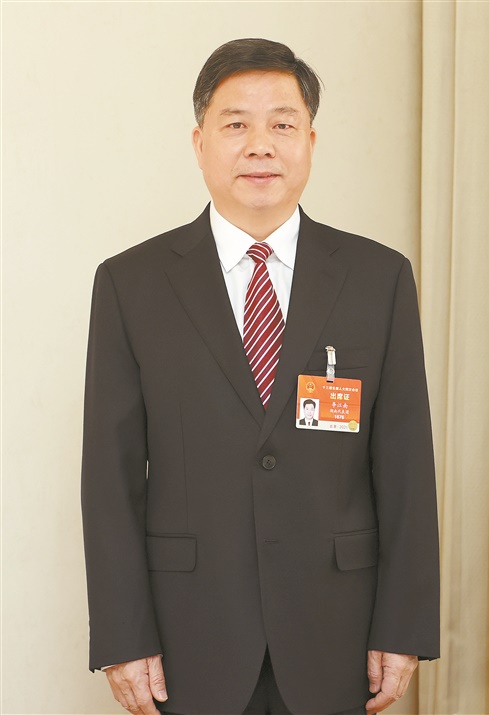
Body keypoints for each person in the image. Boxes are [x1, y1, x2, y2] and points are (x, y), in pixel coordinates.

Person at [81, 38, 440, 715]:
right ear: (199, 143)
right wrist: (124, 636)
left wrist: (405, 624)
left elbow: (405, 465)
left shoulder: (379, 278)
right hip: (189, 635)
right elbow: (110, 477)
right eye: (236, 124)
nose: (260, 146)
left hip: (339, 632)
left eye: (281, 123)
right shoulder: (131, 284)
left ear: (310, 141)